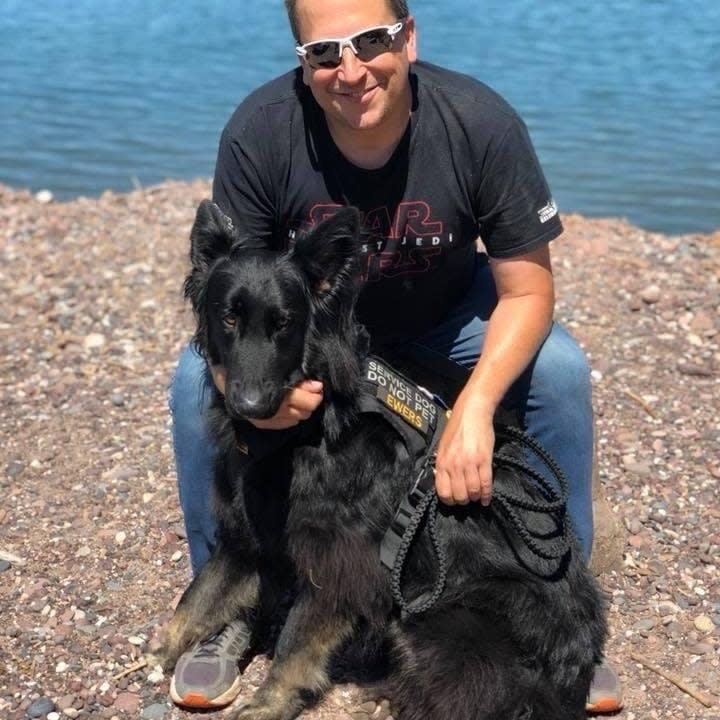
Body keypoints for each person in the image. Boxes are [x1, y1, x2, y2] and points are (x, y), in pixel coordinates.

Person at [168, 0, 623, 713]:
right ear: (302, 61)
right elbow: (231, 295)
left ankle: (556, 601)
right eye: (325, 53)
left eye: (370, 41)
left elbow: (529, 291)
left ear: (407, 37)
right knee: (193, 381)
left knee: (559, 374)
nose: (350, 71)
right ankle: (228, 613)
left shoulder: (479, 122)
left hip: (445, 317)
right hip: (313, 327)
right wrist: (244, 388)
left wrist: (474, 406)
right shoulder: (261, 132)